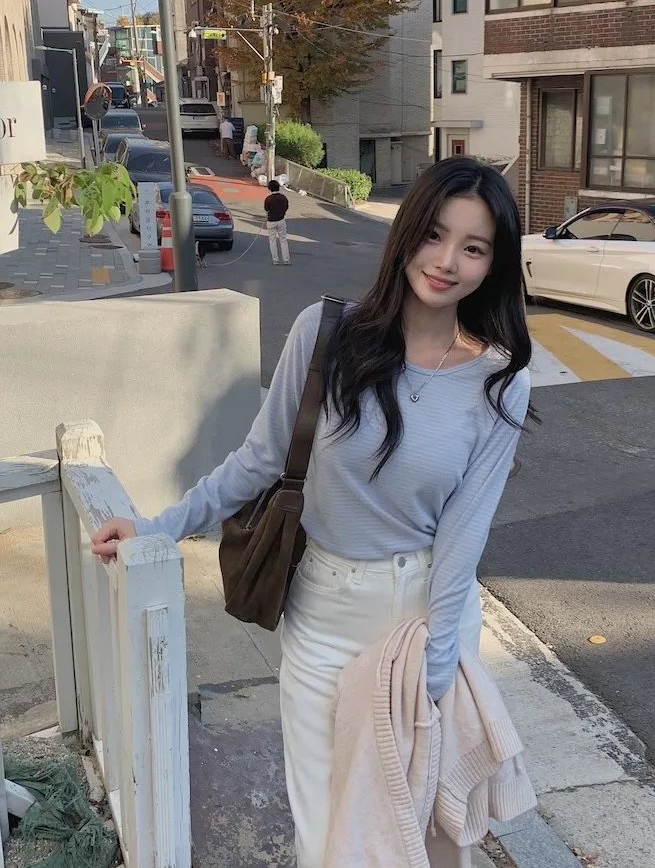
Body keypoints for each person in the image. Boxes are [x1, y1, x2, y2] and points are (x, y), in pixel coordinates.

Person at [90, 157, 533, 868]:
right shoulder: (328, 333)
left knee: (420, 836)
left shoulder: (499, 380)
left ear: (494, 263)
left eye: (474, 247)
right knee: (329, 837)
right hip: (324, 614)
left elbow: (462, 542)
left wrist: (436, 678)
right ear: (407, 233)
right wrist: (157, 526)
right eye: (434, 234)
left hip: (422, 619)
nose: (447, 261)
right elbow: (258, 461)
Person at [264, 179, 290, 266]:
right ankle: (286, 259)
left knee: (272, 240)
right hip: (281, 220)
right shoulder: (283, 198)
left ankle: (275, 260)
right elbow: (286, 207)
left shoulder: (268, 199)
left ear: (270, 188)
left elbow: (267, 209)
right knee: (283, 239)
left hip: (271, 221)